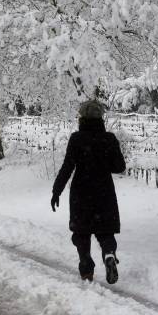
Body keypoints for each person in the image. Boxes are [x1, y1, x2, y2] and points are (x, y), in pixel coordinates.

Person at [51, 100, 126, 284]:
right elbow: (119, 167)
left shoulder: (76, 139)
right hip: (104, 193)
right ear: (100, 117)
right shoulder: (109, 139)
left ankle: (86, 270)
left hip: (81, 193)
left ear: (82, 117)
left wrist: (56, 191)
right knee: (105, 231)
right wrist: (103, 160)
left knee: (81, 233)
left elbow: (67, 167)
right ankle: (108, 254)